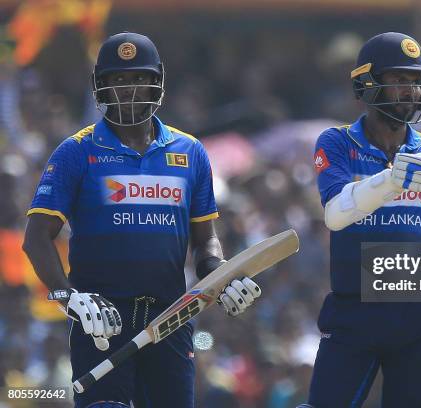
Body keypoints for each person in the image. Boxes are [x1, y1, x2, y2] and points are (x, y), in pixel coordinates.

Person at [22, 32, 261, 408]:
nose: (129, 91)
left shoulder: (190, 151)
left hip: (171, 317)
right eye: (118, 81)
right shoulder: (77, 151)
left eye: (138, 79)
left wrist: (221, 273)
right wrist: (68, 297)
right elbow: (36, 238)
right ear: (101, 86)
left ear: (158, 82)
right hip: (100, 320)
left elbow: (205, 241)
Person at [302, 32, 421, 407]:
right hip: (354, 312)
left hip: (420, 315)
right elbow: (335, 214)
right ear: (367, 84)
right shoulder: (336, 142)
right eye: (399, 80)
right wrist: (392, 180)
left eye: (415, 82)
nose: (410, 91)